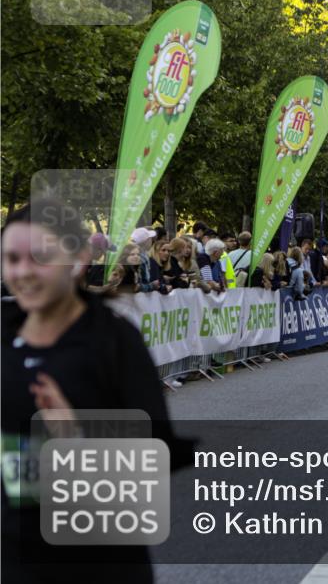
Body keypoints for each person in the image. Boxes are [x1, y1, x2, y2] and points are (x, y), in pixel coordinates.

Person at [1, 198, 188, 583]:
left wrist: (78, 439)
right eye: (11, 259)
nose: (22, 272)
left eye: (39, 258)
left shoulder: (113, 341)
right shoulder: (4, 336)